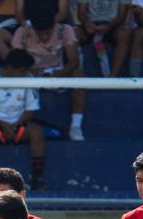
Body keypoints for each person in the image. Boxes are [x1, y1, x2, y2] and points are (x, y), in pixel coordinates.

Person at [11, 11, 86, 141]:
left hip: (57, 73)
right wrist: (31, 69)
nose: (44, 37)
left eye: (47, 33)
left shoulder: (65, 30)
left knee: (78, 73)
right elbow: (15, 59)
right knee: (14, 73)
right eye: (40, 34)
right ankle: (15, 123)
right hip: (30, 73)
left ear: (54, 26)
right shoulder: (22, 31)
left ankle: (76, 125)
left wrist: (60, 72)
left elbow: (74, 60)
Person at [0, 50, 46, 190]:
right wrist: (3, 125)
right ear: (10, 67)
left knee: (37, 132)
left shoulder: (29, 79)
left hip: (19, 126)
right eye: (22, 70)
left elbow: (31, 109)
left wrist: (15, 125)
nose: (24, 73)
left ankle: (37, 177)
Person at [75, 0, 132, 78]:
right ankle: (78, 77)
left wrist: (109, 27)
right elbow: (81, 13)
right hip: (90, 24)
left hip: (113, 25)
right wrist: (87, 23)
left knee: (124, 34)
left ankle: (112, 77)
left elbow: (121, 15)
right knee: (74, 33)